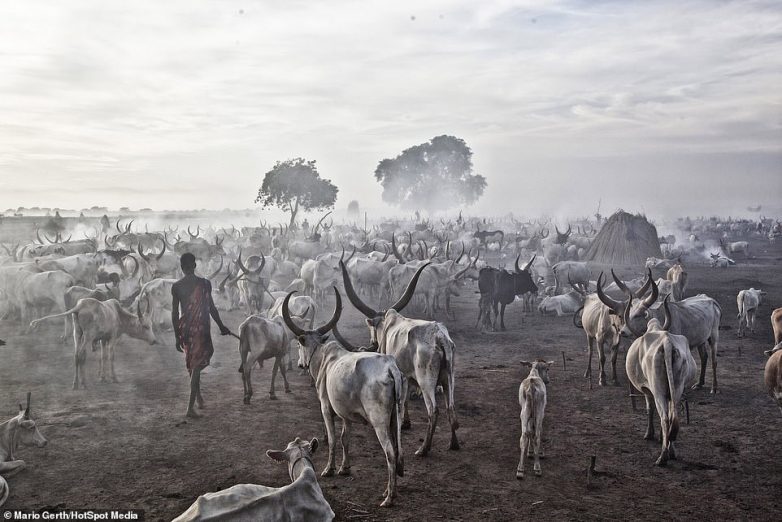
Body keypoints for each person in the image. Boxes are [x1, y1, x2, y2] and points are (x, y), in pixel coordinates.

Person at [171, 253, 231, 418]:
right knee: (196, 366)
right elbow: (211, 308)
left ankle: (199, 399)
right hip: (201, 330)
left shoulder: (176, 286)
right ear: (194, 266)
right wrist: (221, 326)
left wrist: (177, 335)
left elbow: (175, 314)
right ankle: (190, 408)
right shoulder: (205, 284)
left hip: (186, 330)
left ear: (182, 268)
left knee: (193, 365)